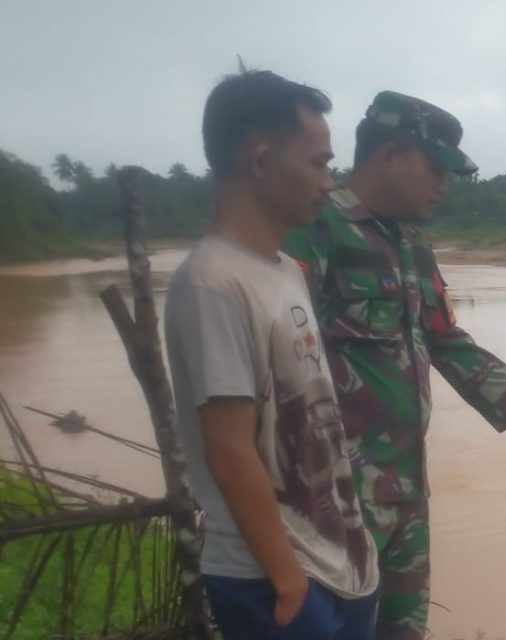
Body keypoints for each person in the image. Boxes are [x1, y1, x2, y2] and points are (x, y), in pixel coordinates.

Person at [283, 90, 506, 639]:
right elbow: (278, 352)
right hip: (332, 499)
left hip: (403, 492)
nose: (444, 185)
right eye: (435, 168)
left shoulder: (411, 245)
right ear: (390, 154)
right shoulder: (317, 225)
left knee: (402, 631)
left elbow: (445, 339)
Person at [165, 69, 378, 639]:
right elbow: (231, 449)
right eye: (318, 163)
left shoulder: (284, 271)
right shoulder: (212, 283)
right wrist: (288, 585)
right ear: (260, 161)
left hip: (343, 566)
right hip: (274, 580)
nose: (328, 183)